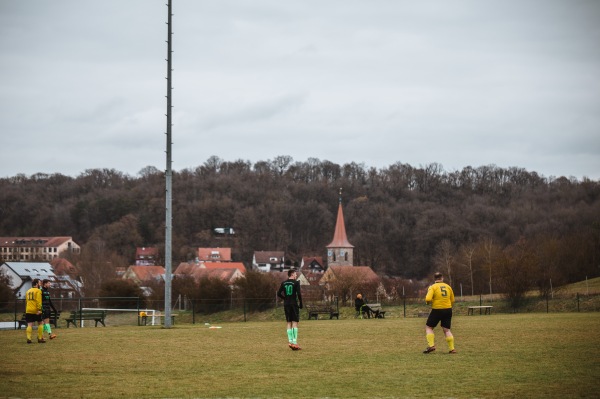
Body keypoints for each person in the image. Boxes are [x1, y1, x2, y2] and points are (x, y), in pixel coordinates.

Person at [423, 272, 456, 354]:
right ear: (442, 278)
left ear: (434, 279)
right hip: (448, 309)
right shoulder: (448, 287)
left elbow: (428, 298)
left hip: (437, 309)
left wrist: (428, 303)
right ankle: (452, 349)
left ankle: (431, 346)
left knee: (429, 327)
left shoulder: (433, 287)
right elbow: (453, 300)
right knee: (447, 330)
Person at [277, 269, 303, 350]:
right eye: (295, 274)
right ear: (292, 274)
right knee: (295, 322)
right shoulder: (296, 283)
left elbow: (278, 293)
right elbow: (298, 293)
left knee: (288, 322)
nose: (296, 275)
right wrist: (301, 302)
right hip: (294, 304)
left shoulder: (283, 283)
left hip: (286, 304)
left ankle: (290, 341)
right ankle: (294, 343)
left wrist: (285, 298)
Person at [24, 278, 44, 344]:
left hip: (28, 310)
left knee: (29, 324)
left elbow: (26, 301)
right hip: (35, 310)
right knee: (40, 323)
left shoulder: (28, 291)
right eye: (39, 283)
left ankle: (29, 338)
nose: (40, 284)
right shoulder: (38, 291)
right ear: (36, 284)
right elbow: (38, 301)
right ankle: (40, 338)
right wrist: (39, 309)